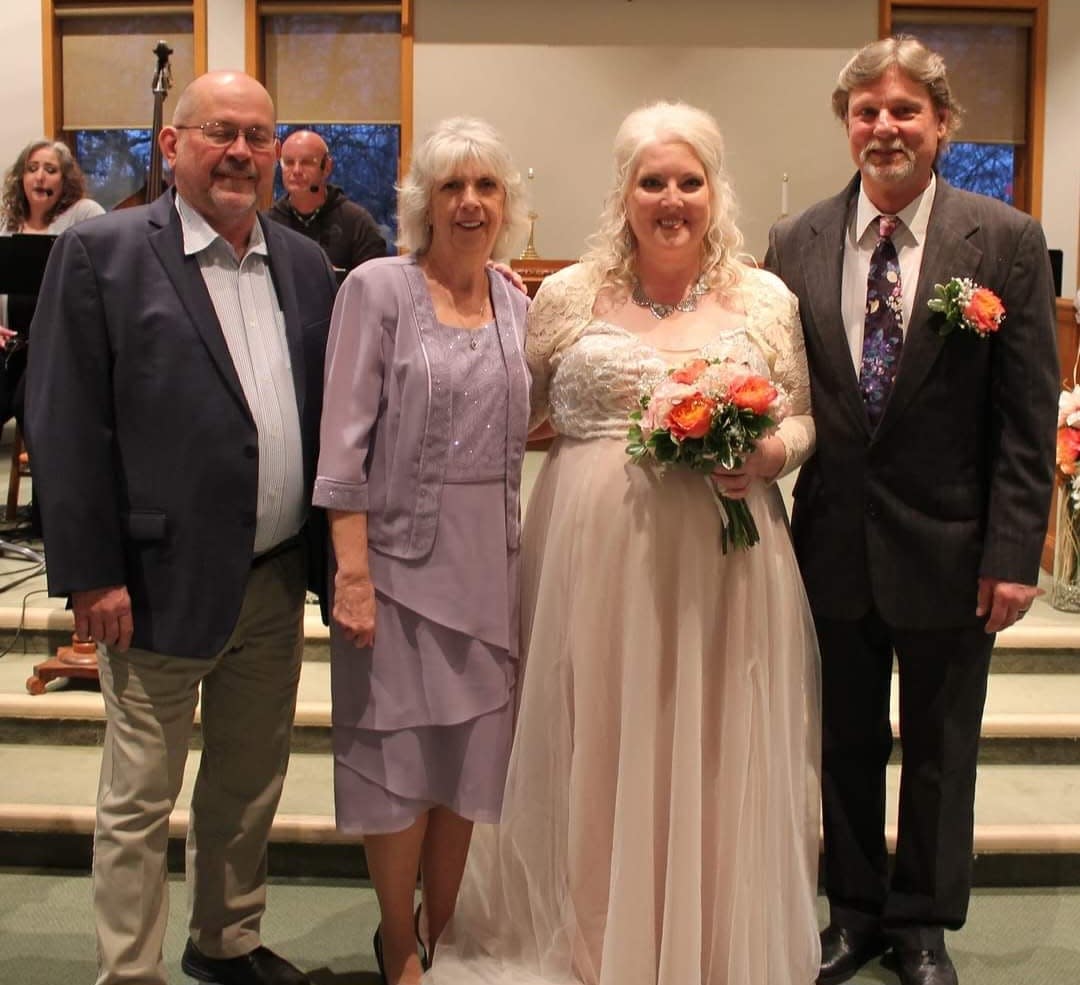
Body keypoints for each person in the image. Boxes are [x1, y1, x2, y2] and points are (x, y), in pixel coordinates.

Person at [427, 101, 821, 985]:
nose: (671, 198)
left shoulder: (765, 298)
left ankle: (703, 940)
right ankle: (596, 939)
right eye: (653, 181)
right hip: (589, 557)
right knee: (594, 734)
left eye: (690, 180)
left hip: (726, 561)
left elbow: (801, 418)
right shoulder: (565, 296)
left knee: (711, 737)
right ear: (625, 192)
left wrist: (766, 452)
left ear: (716, 192)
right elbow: (502, 409)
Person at [26, 71, 339, 985]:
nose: (240, 152)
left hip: (275, 575)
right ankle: (128, 970)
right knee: (139, 795)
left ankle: (225, 939)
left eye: (257, 136)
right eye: (218, 134)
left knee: (247, 783)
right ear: (172, 147)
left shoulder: (304, 264)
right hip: (151, 581)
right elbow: (65, 421)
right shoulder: (104, 254)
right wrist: (90, 572)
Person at [765, 36, 1058, 985]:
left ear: (941, 125)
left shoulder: (1003, 240)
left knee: (942, 749)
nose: (884, 127)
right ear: (847, 125)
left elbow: (1024, 417)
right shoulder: (796, 241)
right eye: (866, 111)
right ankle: (853, 911)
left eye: (904, 112)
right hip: (833, 543)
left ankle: (924, 921)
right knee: (844, 741)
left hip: (954, 545)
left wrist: (1016, 551)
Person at [312, 116, 530, 985]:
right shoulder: (376, 288)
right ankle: (396, 941)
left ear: (506, 205)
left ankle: (447, 929)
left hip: (492, 566)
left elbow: (530, 422)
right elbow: (343, 443)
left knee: (468, 763)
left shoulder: (516, 300)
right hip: (395, 567)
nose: (469, 203)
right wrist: (352, 572)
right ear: (423, 203)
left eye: (485, 187)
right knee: (397, 764)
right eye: (452, 186)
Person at [0, 139, 104, 427]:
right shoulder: (6, 223)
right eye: (32, 168)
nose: (40, 176)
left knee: (33, 406)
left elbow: (102, 274)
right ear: (22, 177)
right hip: (9, 344)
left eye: (50, 169)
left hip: (57, 347)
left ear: (65, 179)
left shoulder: (84, 212)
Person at [267, 128, 386, 272]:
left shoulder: (358, 224)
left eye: (307, 162)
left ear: (327, 167)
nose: (296, 171)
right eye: (289, 162)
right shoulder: (269, 223)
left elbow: (375, 285)